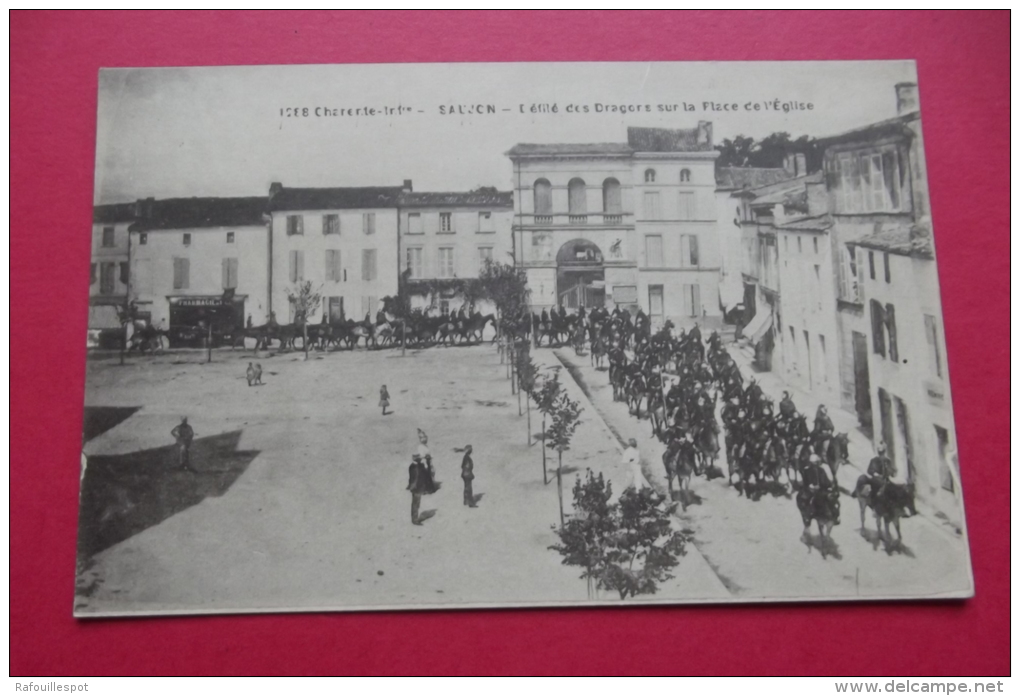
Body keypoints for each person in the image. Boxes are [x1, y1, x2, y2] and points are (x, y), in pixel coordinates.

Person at [406, 454, 429, 525]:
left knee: (416, 503)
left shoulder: (414, 466)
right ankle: (415, 520)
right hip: (416, 488)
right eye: (419, 459)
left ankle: (415, 518)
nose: (421, 459)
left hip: (417, 487)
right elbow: (414, 479)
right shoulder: (415, 467)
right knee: (416, 503)